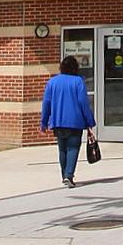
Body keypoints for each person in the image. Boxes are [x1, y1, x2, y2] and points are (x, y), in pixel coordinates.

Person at [41, 54, 96, 188]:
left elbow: (46, 103)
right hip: (75, 121)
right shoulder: (78, 81)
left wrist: (44, 122)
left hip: (58, 120)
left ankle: (64, 175)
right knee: (73, 148)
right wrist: (89, 121)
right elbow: (83, 102)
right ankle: (69, 175)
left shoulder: (52, 82)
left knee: (62, 149)